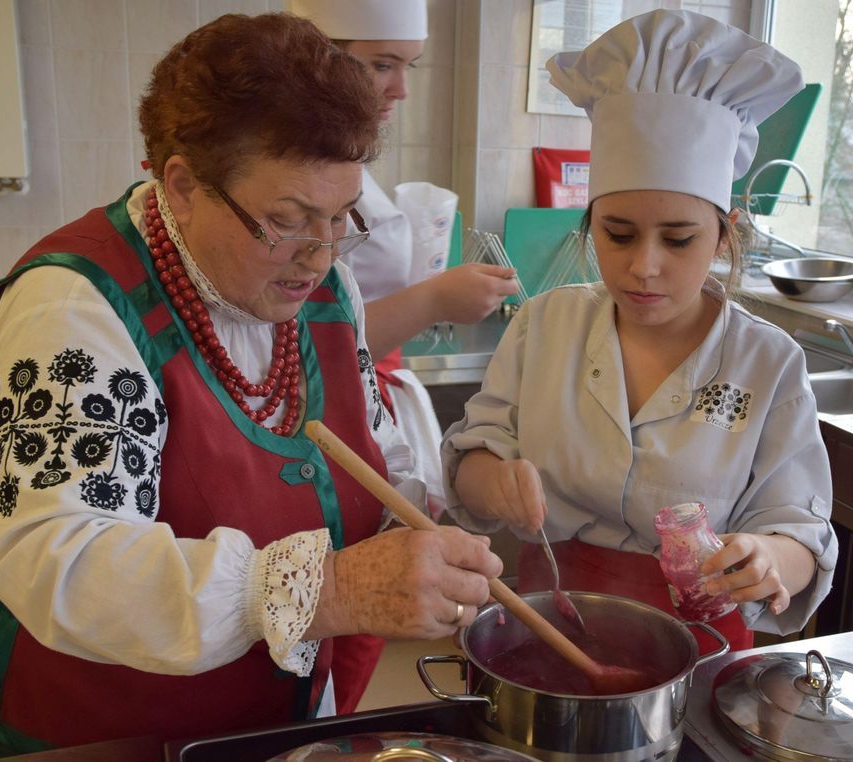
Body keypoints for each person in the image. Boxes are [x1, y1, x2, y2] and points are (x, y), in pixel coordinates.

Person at [0, 13, 501, 759]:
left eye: (340, 217)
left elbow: (373, 454)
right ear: (183, 185)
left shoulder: (326, 295)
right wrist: (326, 591)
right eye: (289, 219)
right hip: (75, 732)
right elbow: (60, 555)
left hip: (261, 722)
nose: (320, 256)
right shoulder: (76, 308)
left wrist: (424, 539)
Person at [443, 9, 838, 653]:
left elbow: (799, 532)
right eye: (617, 234)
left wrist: (767, 558)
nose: (642, 266)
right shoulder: (547, 324)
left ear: (725, 232)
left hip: (702, 645)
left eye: (678, 239)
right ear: (590, 220)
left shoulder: (767, 363)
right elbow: (475, 460)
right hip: (552, 624)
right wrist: (496, 482)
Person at [288, 0, 519, 714]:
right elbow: (307, 349)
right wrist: (433, 300)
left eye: (407, 66)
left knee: (336, 672)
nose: (400, 90)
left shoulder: (355, 174)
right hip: (308, 460)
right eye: (381, 63)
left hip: (362, 435)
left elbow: (338, 338)